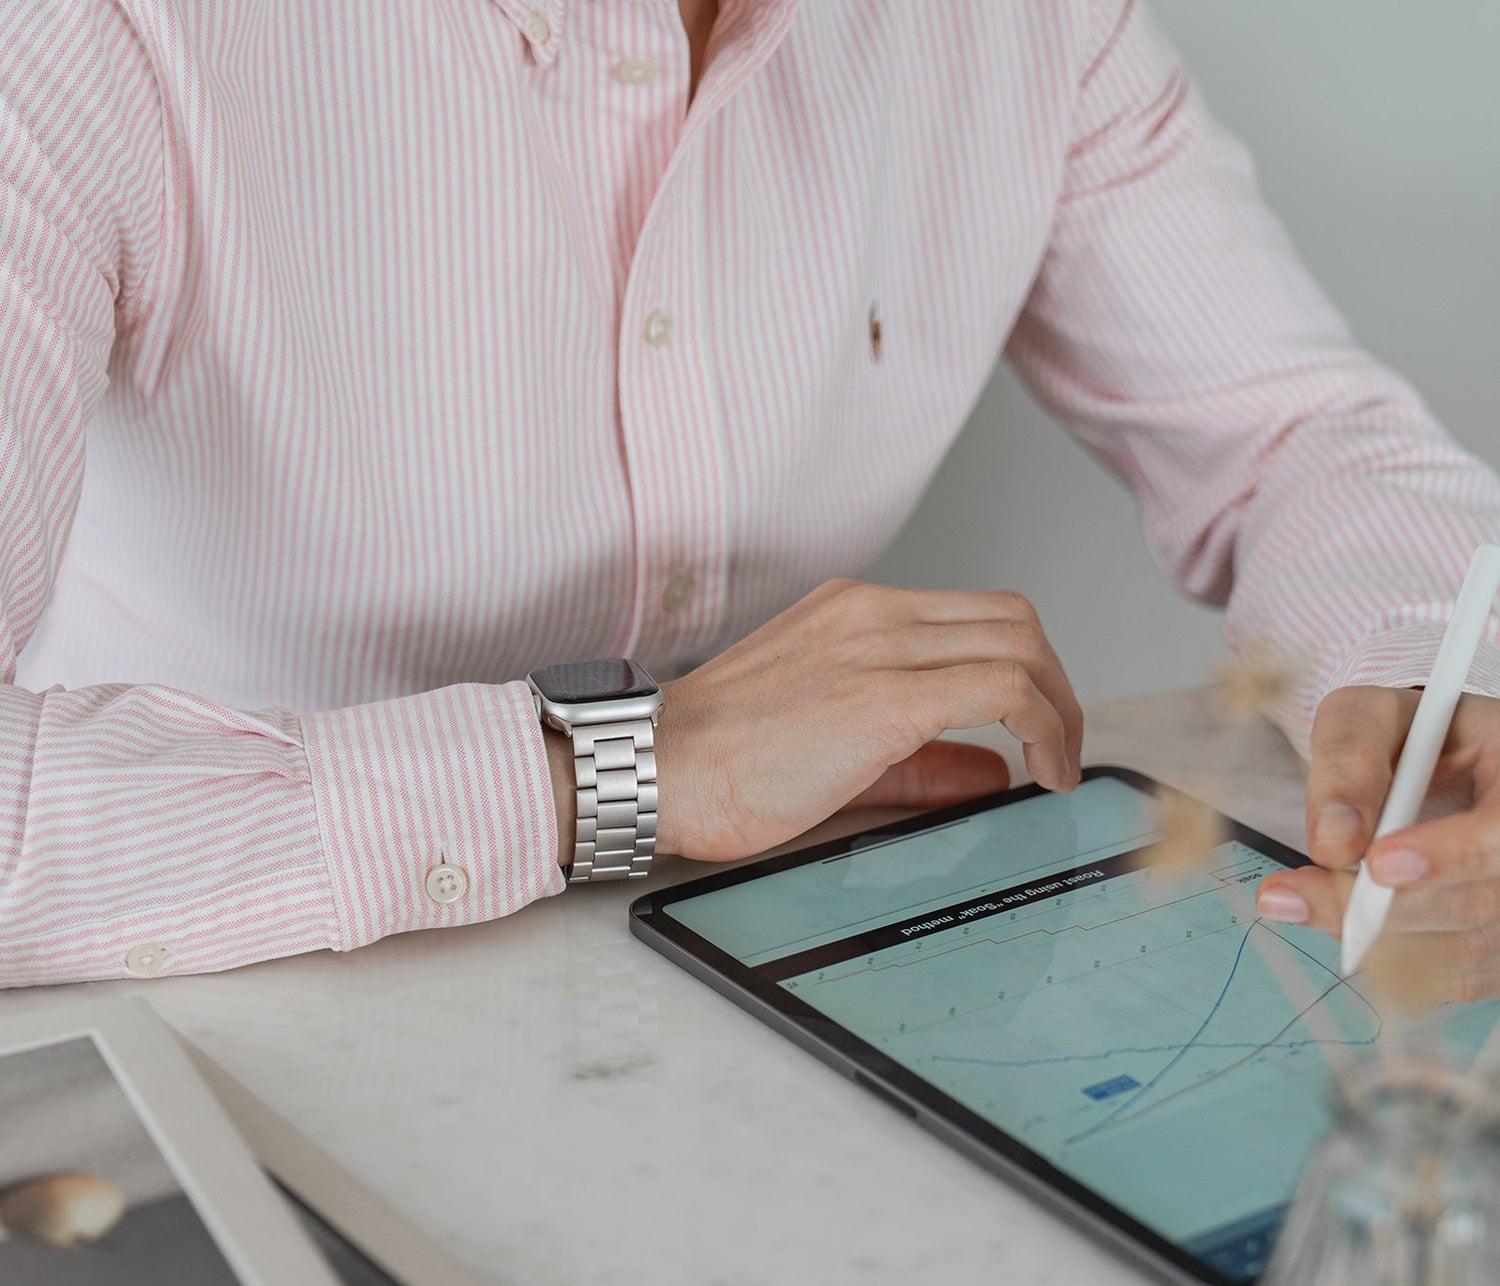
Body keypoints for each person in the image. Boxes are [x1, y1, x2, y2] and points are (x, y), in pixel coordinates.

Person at [2, 0, 1498, 992]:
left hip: (792, 988)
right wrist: (610, 773)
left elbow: (1297, 433)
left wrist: (1436, 678)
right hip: (211, 1007)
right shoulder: (99, 33)